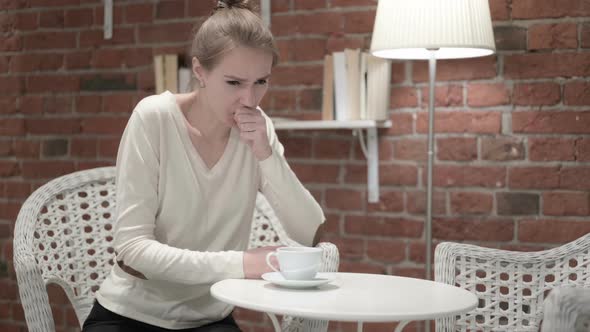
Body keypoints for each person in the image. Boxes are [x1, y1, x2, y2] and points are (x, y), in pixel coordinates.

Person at [81, 0, 325, 331]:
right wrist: (241, 263)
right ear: (200, 72)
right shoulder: (154, 118)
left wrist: (268, 156)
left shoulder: (258, 131)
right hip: (130, 315)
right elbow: (133, 249)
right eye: (234, 83)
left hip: (209, 319)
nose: (250, 100)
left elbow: (309, 231)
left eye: (261, 82)